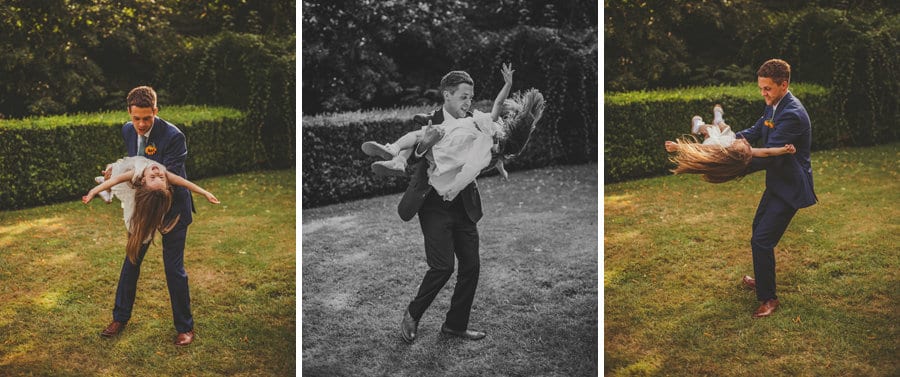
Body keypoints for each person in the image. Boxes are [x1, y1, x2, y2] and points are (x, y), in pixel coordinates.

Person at [95, 86, 202, 345]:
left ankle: (184, 328)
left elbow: (168, 180)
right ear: (129, 113)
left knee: (173, 269)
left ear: (156, 111)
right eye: (136, 118)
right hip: (143, 210)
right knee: (131, 261)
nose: (141, 124)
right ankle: (120, 317)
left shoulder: (174, 136)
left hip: (172, 208)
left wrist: (128, 177)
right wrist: (117, 172)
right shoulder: (126, 130)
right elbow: (133, 164)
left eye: (147, 118)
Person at [361, 63, 515, 200]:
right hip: (442, 153)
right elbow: (496, 154)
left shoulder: (480, 125)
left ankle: (394, 151)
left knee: (417, 136)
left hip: (447, 156)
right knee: (418, 136)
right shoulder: (485, 127)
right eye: (464, 97)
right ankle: (397, 159)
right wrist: (503, 171)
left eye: (471, 98)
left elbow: (496, 150)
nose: (468, 103)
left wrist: (507, 85)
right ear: (447, 95)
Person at [83, 155, 220, 266]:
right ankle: (106, 192)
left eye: (154, 177)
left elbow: (116, 180)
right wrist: (205, 193)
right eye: (160, 177)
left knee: (112, 171)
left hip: (125, 177)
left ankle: (106, 191)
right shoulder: (165, 175)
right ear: (166, 183)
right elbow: (185, 183)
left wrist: (92, 192)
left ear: (143, 180)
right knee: (111, 170)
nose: (157, 172)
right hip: (129, 170)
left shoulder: (136, 174)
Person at [664, 104, 797, 183]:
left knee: (710, 129)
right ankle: (718, 118)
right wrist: (784, 150)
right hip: (727, 138)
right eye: (744, 142)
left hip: (717, 140)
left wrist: (677, 146)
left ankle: (698, 126)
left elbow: (697, 147)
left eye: (743, 142)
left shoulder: (716, 148)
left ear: (732, 148)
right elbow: (766, 152)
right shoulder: (746, 151)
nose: (744, 140)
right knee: (725, 127)